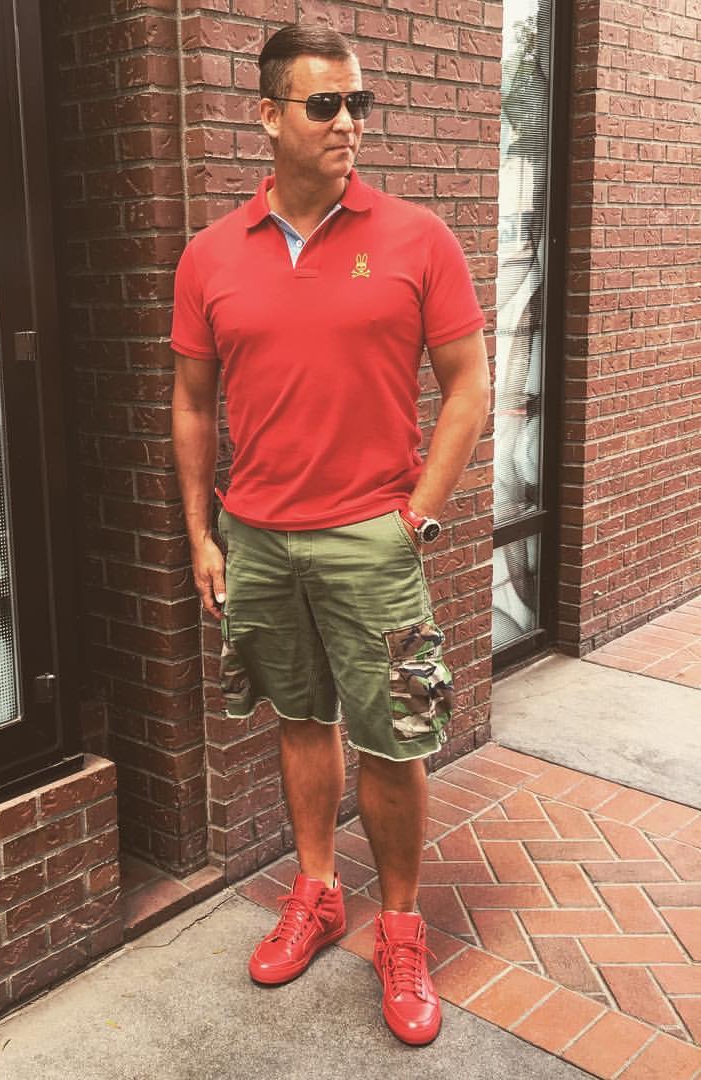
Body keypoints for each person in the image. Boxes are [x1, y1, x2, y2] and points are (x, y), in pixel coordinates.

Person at [170, 23, 490, 1046]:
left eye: (359, 103)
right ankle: (315, 892)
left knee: (396, 736)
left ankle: (401, 927)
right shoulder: (211, 255)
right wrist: (202, 534)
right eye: (325, 104)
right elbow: (191, 402)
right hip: (259, 541)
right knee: (300, 719)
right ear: (269, 116)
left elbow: (469, 385)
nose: (349, 122)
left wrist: (418, 513)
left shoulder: (418, 239)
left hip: (372, 542)